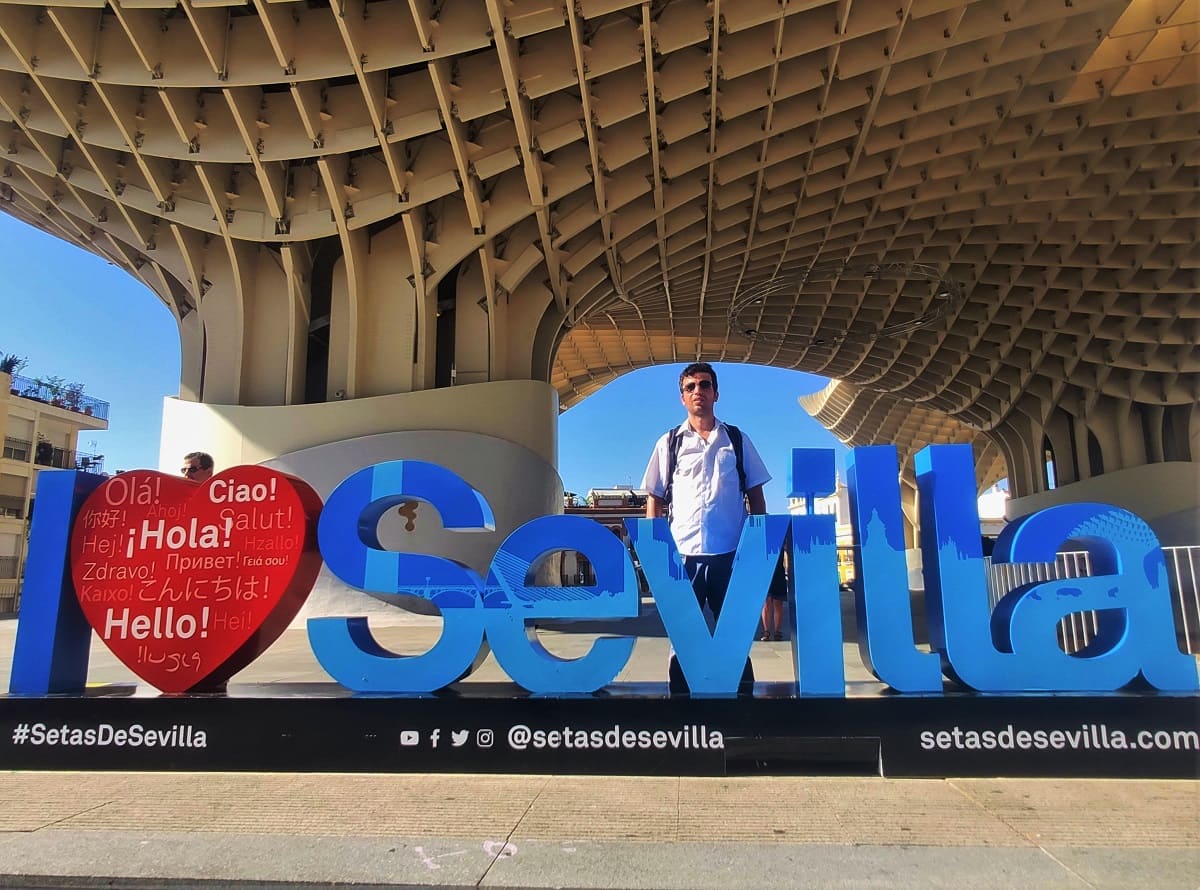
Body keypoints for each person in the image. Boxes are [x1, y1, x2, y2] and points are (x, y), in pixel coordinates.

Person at [641, 362, 771, 694]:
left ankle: (743, 714)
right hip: (683, 556)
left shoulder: (737, 440)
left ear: (716, 393)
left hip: (730, 554)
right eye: (690, 387)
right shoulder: (669, 443)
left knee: (735, 637)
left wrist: (759, 543)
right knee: (683, 638)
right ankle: (681, 711)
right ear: (682, 397)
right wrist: (658, 549)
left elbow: (756, 494)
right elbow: (654, 496)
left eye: (704, 384)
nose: (698, 391)